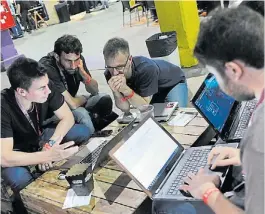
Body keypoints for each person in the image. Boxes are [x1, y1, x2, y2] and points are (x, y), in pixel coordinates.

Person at [179, 6, 264, 214]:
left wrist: (207, 191)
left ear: (234, 70)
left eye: (216, 76)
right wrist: (242, 156)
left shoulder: (258, 138)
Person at [39, 35, 117, 132]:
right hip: (54, 113)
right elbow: (72, 104)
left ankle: (105, 126)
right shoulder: (48, 68)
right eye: (68, 61)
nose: (73, 66)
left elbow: (94, 90)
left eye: (76, 60)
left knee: (103, 98)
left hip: (72, 102)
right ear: (57, 56)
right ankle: (93, 139)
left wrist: (84, 74)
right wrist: (85, 97)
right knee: (82, 114)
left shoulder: (78, 60)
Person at [103, 37, 188, 114]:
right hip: (151, 91)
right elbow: (125, 108)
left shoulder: (146, 68)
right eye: (110, 67)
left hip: (172, 83)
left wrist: (126, 90)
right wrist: (116, 92)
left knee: (176, 116)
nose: (114, 73)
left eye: (119, 67)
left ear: (129, 59)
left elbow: (144, 107)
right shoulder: (109, 73)